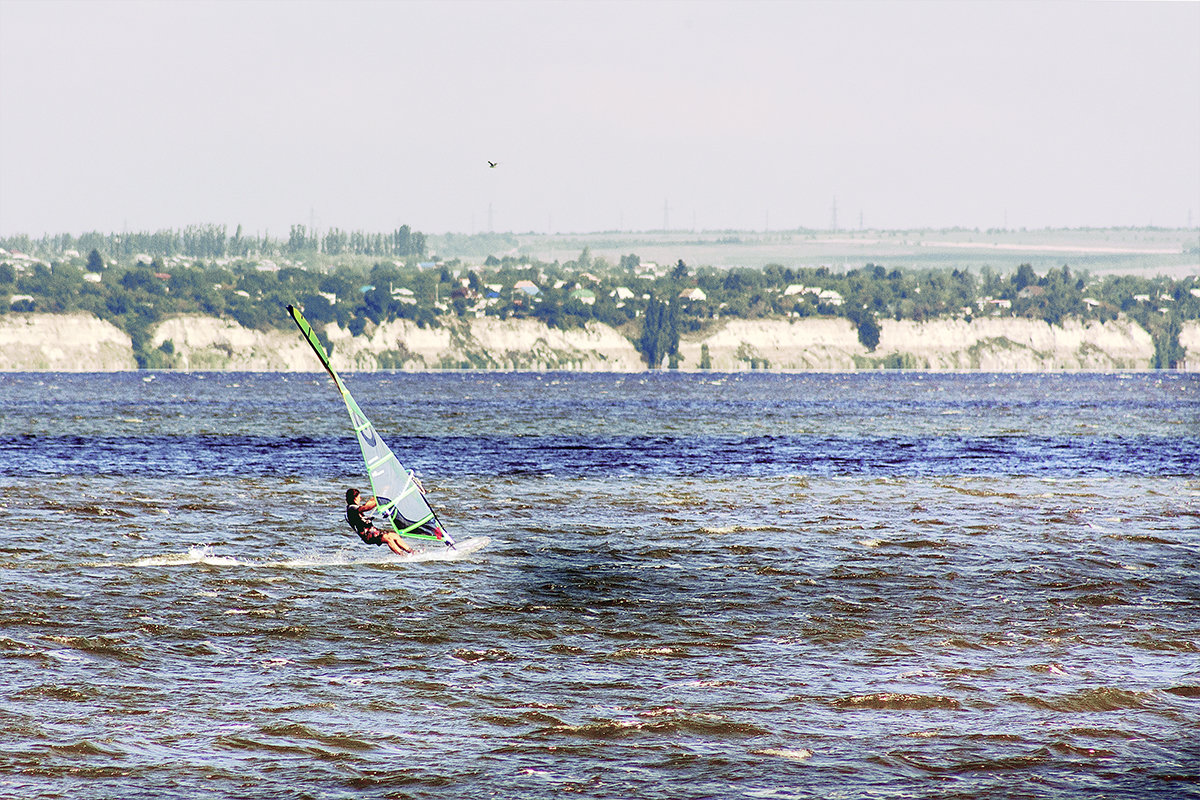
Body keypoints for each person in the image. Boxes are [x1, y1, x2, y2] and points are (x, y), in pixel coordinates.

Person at [345, 488, 413, 555]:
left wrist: (380, 494)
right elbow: (366, 507)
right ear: (355, 498)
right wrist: (378, 501)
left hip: (373, 532)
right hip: (368, 535)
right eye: (359, 497)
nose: (360, 499)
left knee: (394, 535)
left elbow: (369, 502)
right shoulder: (351, 508)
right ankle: (403, 555)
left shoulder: (354, 507)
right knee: (388, 538)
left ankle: (412, 552)